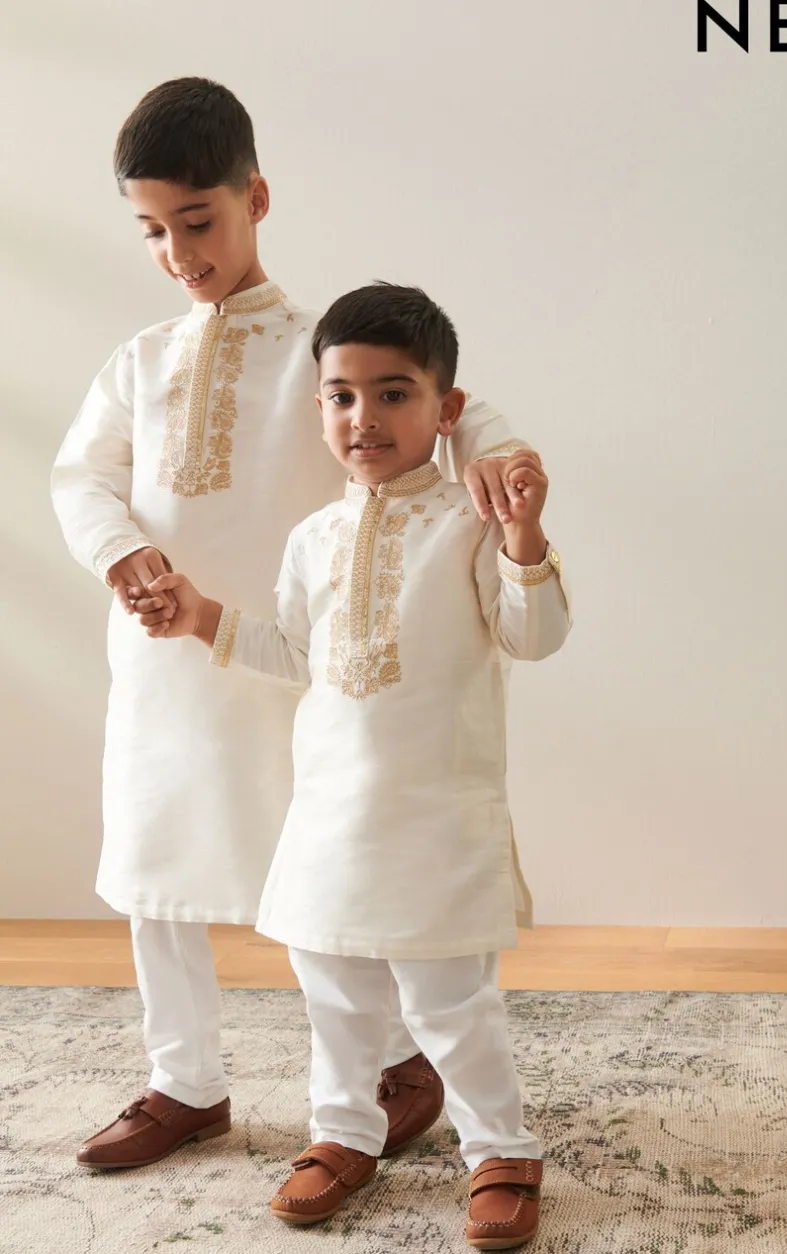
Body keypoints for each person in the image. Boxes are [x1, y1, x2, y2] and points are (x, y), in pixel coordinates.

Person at [51, 77, 542, 1171]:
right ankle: (184, 1080)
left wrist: (503, 456)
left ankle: (400, 1066)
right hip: (172, 649)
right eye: (153, 231)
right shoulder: (139, 359)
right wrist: (123, 552)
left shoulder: (325, 351)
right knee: (156, 868)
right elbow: (81, 478)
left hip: (313, 666)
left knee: (346, 874)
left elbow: (449, 406)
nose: (179, 253)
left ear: (255, 198)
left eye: (198, 221)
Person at [131, 283, 570, 1248]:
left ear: (447, 410)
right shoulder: (313, 537)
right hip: (329, 813)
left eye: (393, 393)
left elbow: (532, 635)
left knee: (449, 1003)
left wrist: (524, 536)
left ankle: (501, 1152)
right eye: (340, 396)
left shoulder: (470, 523)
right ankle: (344, 1135)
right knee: (332, 991)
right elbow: (298, 654)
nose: (362, 417)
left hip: (439, 813)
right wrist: (201, 615)